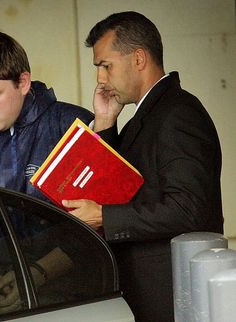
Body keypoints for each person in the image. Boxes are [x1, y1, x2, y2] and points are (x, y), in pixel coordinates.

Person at [63, 11, 223, 322]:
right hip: (146, 294)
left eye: (105, 66)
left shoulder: (178, 113)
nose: (100, 78)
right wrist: (107, 122)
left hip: (170, 297)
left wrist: (103, 217)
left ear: (138, 59)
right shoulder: (147, 115)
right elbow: (118, 185)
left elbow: (188, 208)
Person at [0, 31, 93, 313]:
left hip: (73, 297)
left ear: (23, 82)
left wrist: (38, 273)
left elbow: (99, 225)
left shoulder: (73, 126)